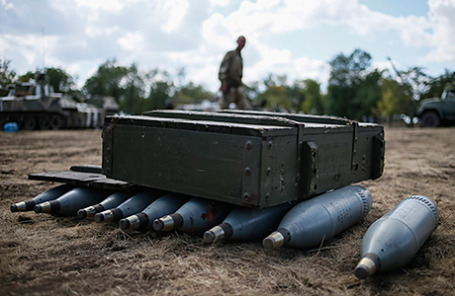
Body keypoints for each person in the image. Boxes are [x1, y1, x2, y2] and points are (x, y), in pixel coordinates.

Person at [218, 36, 252, 110]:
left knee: (245, 107)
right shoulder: (231, 54)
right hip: (229, 85)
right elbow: (223, 68)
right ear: (237, 42)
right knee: (223, 108)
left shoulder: (240, 57)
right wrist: (223, 82)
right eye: (241, 41)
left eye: (243, 42)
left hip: (238, 85)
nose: (242, 44)